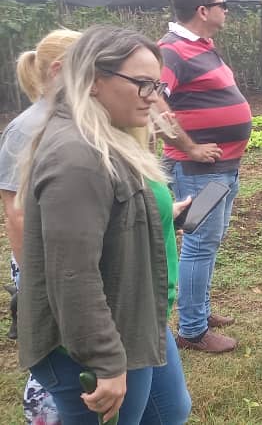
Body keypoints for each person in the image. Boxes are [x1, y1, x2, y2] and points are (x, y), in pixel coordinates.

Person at [18, 25, 191, 424]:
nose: (155, 98)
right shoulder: (79, 156)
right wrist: (106, 361)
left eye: (158, 85)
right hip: (100, 344)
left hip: (133, 318)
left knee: (169, 412)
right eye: (143, 85)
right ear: (94, 81)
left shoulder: (109, 138)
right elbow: (72, 274)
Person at [157, 0, 252, 353]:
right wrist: (191, 147)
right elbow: (153, 103)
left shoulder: (200, 47)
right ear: (202, 11)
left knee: (207, 243)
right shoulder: (171, 51)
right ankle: (193, 330)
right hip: (200, 169)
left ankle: (199, 308)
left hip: (222, 168)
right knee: (199, 244)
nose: (225, 10)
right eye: (221, 5)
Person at [0, 29, 81, 425]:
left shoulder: (75, 118)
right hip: (38, 261)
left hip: (65, 255)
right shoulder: (25, 128)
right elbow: (15, 211)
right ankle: (45, 417)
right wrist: (32, 272)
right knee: (48, 346)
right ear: (60, 69)